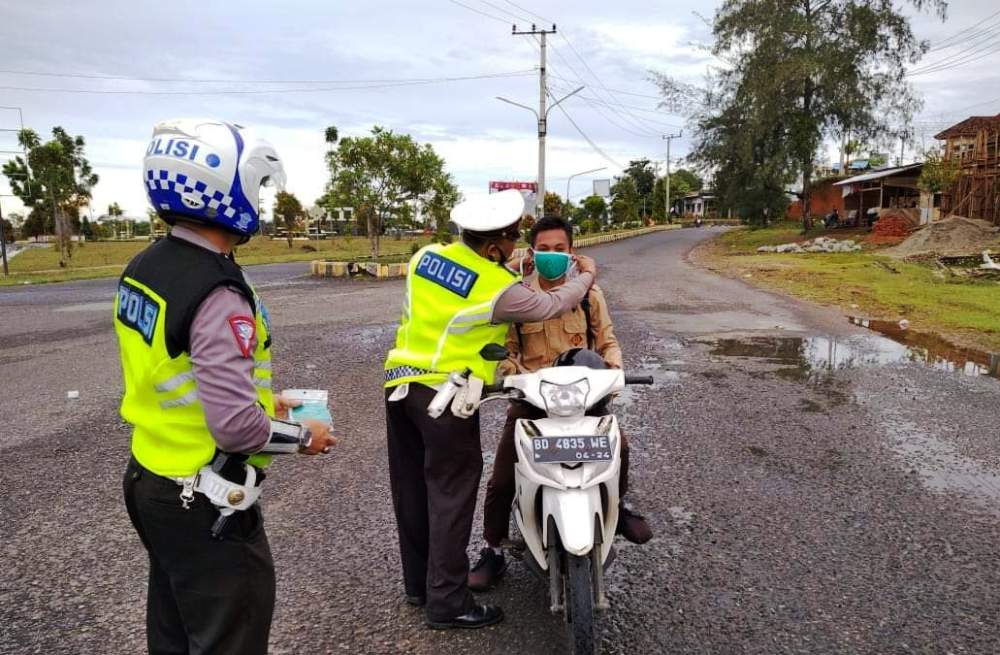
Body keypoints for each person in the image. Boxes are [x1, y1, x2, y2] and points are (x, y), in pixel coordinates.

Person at [117, 118, 337, 655]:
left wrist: (266, 398)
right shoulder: (217, 290)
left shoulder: (145, 266)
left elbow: (175, 372)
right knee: (227, 637)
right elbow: (236, 427)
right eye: (256, 188)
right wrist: (303, 437)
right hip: (206, 498)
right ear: (224, 191)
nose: (259, 202)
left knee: (174, 631)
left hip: (153, 479)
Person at [384, 190, 599, 630]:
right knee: (451, 498)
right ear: (495, 244)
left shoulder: (425, 257)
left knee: (414, 492)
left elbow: (463, 274)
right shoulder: (498, 288)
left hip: (400, 387)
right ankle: (447, 603)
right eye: (512, 238)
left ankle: (420, 586)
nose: (517, 244)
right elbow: (551, 304)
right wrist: (586, 277)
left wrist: (509, 258)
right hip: (447, 398)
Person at [468, 215, 652, 591]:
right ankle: (493, 549)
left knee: (620, 449)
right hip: (533, 401)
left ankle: (618, 508)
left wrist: (613, 371)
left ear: (572, 252)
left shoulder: (589, 296)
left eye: (560, 249)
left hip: (584, 398)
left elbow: (607, 340)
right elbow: (506, 351)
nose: (552, 255)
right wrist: (513, 374)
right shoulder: (517, 295)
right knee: (503, 474)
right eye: (545, 249)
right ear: (533, 252)